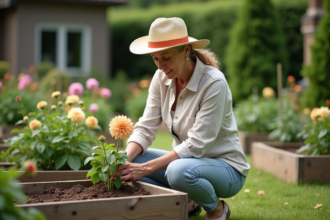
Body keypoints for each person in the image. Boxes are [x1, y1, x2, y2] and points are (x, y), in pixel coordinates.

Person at [116, 17, 250, 220]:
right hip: (189, 165)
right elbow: (145, 126)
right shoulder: (160, 78)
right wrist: (124, 161)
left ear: (186, 51)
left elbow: (196, 145)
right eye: (155, 58)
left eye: (166, 57)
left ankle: (216, 209)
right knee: (132, 160)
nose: (160, 65)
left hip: (227, 169)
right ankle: (190, 201)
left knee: (176, 171)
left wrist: (144, 169)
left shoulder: (214, 83)